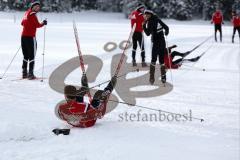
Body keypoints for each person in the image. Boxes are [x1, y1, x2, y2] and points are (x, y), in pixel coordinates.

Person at [21, 1, 47, 79]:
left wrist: (28, 27)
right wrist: (43, 23)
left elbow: (22, 23)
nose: (37, 8)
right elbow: (37, 25)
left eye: (38, 7)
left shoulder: (26, 13)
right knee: (32, 55)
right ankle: (31, 74)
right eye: (35, 6)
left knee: (25, 55)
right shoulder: (32, 14)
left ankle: (24, 72)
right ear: (32, 6)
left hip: (23, 37)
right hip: (30, 37)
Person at [142, 10, 169, 85]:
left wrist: (143, 26)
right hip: (162, 42)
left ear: (150, 15)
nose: (146, 17)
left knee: (153, 60)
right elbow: (167, 27)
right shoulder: (157, 19)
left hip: (156, 43)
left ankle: (151, 78)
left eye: (147, 15)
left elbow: (147, 33)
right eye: (145, 15)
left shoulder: (150, 22)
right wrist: (166, 33)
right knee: (161, 60)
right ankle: (163, 77)